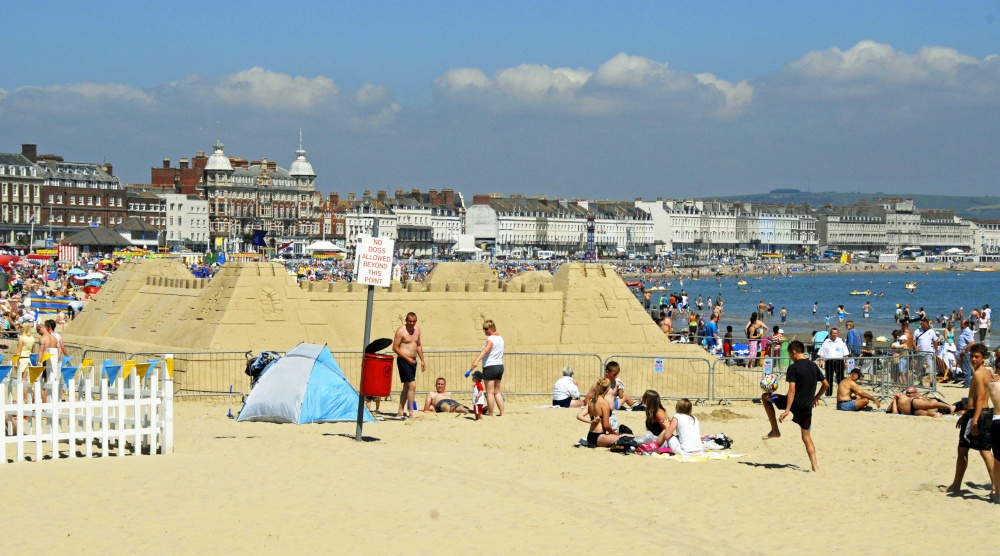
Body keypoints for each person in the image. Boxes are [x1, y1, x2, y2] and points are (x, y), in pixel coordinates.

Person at [762, 340, 829, 472]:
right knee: (806, 438)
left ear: (794, 352)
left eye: (789, 354)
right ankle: (815, 467)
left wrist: (787, 410)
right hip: (807, 407)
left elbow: (792, 390)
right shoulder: (814, 366)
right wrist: (815, 398)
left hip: (794, 403)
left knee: (765, 397)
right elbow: (826, 384)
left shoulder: (793, 368)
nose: (790, 357)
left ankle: (775, 430)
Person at [941, 343, 996, 496]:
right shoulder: (986, 372)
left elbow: (980, 399)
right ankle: (995, 487)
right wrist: (965, 416)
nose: (973, 359)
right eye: (971, 356)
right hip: (983, 413)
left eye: (976, 357)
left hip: (978, 414)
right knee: (983, 450)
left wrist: (974, 419)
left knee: (968, 450)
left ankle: (957, 485)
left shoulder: (978, 373)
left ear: (984, 358)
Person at [393, 312, 426, 419]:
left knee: (406, 387)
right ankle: (411, 411)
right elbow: (395, 347)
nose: (411, 323)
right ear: (406, 321)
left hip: (413, 361)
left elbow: (418, 345)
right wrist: (407, 358)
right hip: (403, 360)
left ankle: (400, 411)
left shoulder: (417, 330)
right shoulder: (401, 331)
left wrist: (422, 360)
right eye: (409, 321)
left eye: (414, 321)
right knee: (412, 385)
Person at [470, 319, 504, 417]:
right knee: (497, 392)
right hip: (499, 366)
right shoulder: (500, 338)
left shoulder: (491, 339)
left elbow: (485, 351)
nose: (484, 331)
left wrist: (476, 361)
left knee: (490, 392)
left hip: (490, 367)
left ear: (492, 328)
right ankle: (502, 412)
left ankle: (491, 413)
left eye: (486, 328)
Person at [581, 378, 620, 447]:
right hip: (599, 436)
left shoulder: (591, 402)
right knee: (623, 439)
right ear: (607, 390)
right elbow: (606, 425)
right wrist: (614, 433)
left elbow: (579, 415)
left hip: (590, 435)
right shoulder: (604, 403)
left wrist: (590, 422)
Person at [817, 327, 849, 396]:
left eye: (836, 333)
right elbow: (821, 352)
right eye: (833, 333)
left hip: (839, 361)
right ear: (830, 334)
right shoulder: (826, 341)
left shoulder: (841, 341)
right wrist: (820, 360)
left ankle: (841, 393)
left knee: (840, 378)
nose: (834, 334)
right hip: (829, 362)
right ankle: (829, 393)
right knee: (829, 378)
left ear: (837, 334)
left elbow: (846, 353)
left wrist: (846, 362)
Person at [888, 387, 953, 417]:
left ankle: (949, 406)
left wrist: (895, 400)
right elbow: (894, 413)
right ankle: (936, 414)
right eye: (907, 393)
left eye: (909, 393)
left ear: (915, 393)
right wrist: (894, 399)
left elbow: (928, 403)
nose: (907, 394)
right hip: (912, 412)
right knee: (925, 413)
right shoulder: (897, 399)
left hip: (912, 403)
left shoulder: (904, 397)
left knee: (930, 405)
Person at [956, 319, 976, 387]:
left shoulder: (967, 331)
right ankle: (967, 382)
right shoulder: (964, 331)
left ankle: (967, 384)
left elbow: (972, 342)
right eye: (961, 324)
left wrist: (964, 349)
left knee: (966, 368)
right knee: (965, 368)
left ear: (966, 324)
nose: (961, 325)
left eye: (962, 324)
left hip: (965, 352)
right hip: (961, 352)